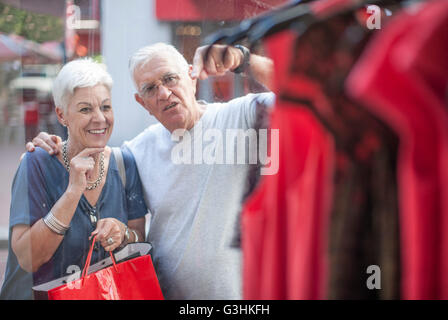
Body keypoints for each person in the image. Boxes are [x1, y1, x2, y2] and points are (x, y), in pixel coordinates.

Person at [25, 43, 275, 299]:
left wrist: (244, 60)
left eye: (170, 79)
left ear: (191, 78)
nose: (164, 93)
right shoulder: (136, 152)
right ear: (142, 102)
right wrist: (48, 144)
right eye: (150, 88)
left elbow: (303, 89)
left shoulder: (241, 118)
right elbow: (89, 156)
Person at [0, 59, 148, 300]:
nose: (100, 118)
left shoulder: (124, 164)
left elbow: (139, 237)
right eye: (85, 109)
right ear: (61, 115)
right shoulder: (36, 163)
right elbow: (29, 258)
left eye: (106, 107)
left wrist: (123, 233)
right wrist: (73, 191)